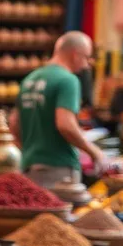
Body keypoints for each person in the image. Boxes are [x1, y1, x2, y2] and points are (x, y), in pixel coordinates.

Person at [13, 31, 106, 187]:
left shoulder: (30, 79)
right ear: (75, 54)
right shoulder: (68, 80)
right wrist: (94, 152)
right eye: (86, 58)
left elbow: (15, 123)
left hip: (29, 167)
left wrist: (31, 151)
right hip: (58, 170)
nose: (85, 65)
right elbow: (65, 125)